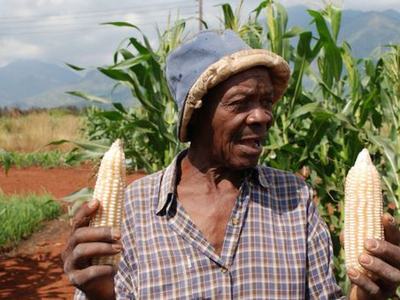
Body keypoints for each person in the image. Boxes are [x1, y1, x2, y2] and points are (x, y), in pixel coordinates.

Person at [62, 30, 400, 299]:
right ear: (194, 116)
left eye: (266, 102)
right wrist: (98, 295)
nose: (263, 116)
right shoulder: (134, 210)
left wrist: (366, 295)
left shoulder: (295, 198)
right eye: (240, 103)